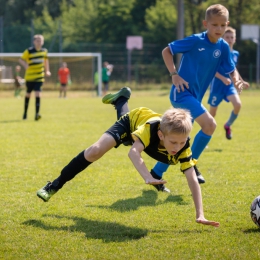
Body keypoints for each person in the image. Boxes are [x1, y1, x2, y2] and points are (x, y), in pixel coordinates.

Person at [36, 87, 219, 227]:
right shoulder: (152, 130)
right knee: (95, 151)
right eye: (174, 143)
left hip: (142, 133)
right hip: (133, 121)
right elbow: (133, 152)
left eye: (182, 142)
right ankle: (53, 185)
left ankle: (121, 100)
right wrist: (147, 176)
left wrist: (200, 214)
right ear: (162, 135)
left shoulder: (182, 145)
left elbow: (192, 179)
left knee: (128, 141)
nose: (178, 148)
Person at [149, 4, 249, 184]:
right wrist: (174, 75)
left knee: (181, 138)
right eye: (214, 25)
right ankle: (190, 164)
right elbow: (167, 51)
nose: (219, 29)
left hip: (194, 97)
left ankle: (156, 172)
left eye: (222, 25)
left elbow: (231, 69)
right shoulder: (195, 41)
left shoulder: (224, 47)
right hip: (181, 94)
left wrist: (237, 79)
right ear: (205, 24)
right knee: (210, 125)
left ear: (227, 24)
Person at [208, 27, 249, 140]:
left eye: (232, 37)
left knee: (238, 105)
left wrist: (240, 80)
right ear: (222, 38)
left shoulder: (235, 53)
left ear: (235, 39)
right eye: (227, 37)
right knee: (212, 115)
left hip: (229, 86)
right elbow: (211, 70)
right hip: (217, 87)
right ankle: (205, 137)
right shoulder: (218, 52)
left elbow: (233, 69)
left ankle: (228, 125)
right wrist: (222, 78)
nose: (229, 39)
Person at [19, 34, 51, 121]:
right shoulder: (29, 51)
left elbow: (46, 61)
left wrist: (47, 70)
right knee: (28, 94)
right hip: (30, 77)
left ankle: (37, 114)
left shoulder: (44, 51)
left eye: (40, 41)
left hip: (39, 76)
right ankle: (25, 113)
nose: (39, 42)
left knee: (38, 94)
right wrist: (25, 65)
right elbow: (21, 59)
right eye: (37, 41)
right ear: (34, 42)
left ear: (43, 42)